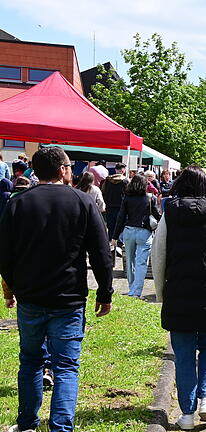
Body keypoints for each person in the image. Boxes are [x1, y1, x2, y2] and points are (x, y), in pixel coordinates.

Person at [0, 146, 113, 432]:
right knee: (65, 367)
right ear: (63, 170)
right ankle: (60, 427)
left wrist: (10, 287)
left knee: (30, 361)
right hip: (68, 298)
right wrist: (105, 293)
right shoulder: (82, 201)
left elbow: (5, 253)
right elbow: (101, 253)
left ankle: (27, 423)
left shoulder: (18, 202)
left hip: (31, 296)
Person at [151, 166, 206, 430]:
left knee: (184, 354)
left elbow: (158, 256)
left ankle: (187, 414)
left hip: (179, 292)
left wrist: (161, 292)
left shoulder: (170, 213)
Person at [112, 174, 161, 298]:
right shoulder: (150, 198)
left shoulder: (127, 198)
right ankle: (136, 292)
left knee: (130, 261)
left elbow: (121, 218)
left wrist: (115, 236)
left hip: (129, 231)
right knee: (141, 263)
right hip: (144, 232)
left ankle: (131, 288)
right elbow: (157, 215)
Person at [102, 163, 129, 240]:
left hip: (109, 206)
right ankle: (119, 244)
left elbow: (103, 192)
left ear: (115, 169)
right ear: (123, 170)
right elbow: (128, 193)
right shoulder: (125, 181)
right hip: (121, 207)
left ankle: (111, 243)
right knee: (120, 226)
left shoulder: (107, 180)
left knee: (111, 227)